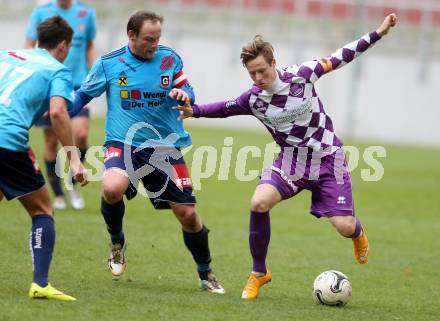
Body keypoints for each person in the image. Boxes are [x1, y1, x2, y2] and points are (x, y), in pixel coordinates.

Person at [175, 14, 398, 299]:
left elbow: (342, 55)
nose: (258, 78)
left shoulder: (303, 75)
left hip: (329, 159)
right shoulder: (254, 99)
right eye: (252, 74)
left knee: (344, 226)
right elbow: (226, 107)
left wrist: (378, 32)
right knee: (259, 202)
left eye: (262, 71)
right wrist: (194, 111)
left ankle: (357, 233)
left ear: (273, 63)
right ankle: (259, 273)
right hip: (292, 161)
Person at [70, 10, 224, 294]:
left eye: (157, 39)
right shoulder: (110, 63)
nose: (154, 45)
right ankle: (117, 243)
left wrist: (185, 95)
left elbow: (188, 89)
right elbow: (81, 97)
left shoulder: (169, 59)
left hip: (164, 147)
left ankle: (206, 272)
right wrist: (58, 109)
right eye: (148, 39)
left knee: (188, 215)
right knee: (112, 187)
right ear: (131, 35)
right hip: (122, 144)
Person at [0, 16, 88, 301]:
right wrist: (75, 160)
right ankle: (40, 283)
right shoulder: (58, 70)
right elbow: (59, 113)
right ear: (63, 45)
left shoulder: (8, 55)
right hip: (8, 141)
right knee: (42, 210)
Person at [25, 0, 97, 210]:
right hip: (49, 83)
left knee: (81, 134)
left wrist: (94, 75)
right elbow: (29, 44)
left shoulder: (86, 12)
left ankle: (73, 182)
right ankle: (57, 193)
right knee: (51, 142)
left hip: (77, 85)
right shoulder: (42, 12)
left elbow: (89, 47)